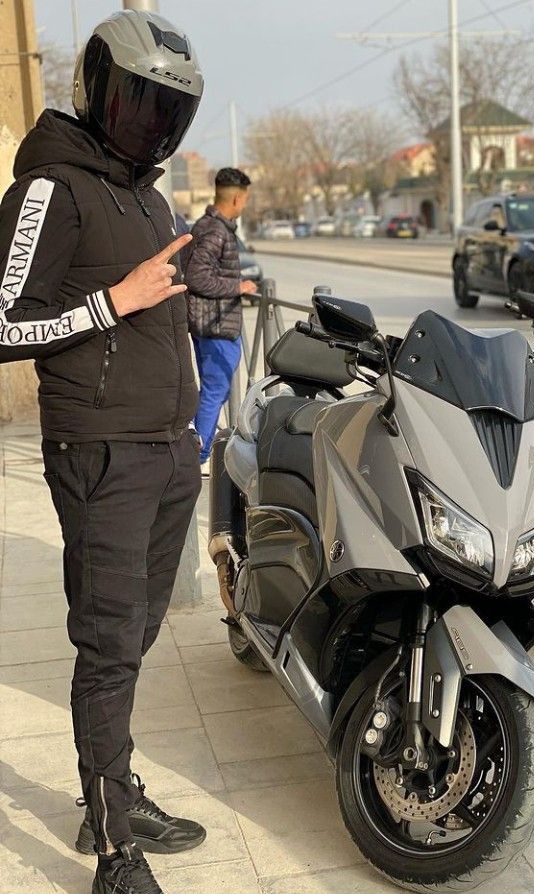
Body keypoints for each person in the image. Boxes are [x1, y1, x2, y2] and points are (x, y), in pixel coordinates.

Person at [0, 11, 206, 894]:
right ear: (94, 88)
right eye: (136, 102)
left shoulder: (147, 193)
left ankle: (109, 793)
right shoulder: (51, 187)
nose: (148, 124)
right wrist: (113, 302)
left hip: (168, 450)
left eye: (167, 111)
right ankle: (116, 854)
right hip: (102, 452)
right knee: (109, 644)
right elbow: (4, 325)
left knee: (138, 633)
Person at [185, 168, 256, 469]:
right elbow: (197, 277)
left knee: (216, 389)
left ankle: (198, 448)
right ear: (237, 198)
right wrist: (237, 287)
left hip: (209, 323)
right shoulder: (216, 231)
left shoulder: (205, 225)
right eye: (245, 200)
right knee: (215, 390)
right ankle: (196, 457)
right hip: (216, 325)